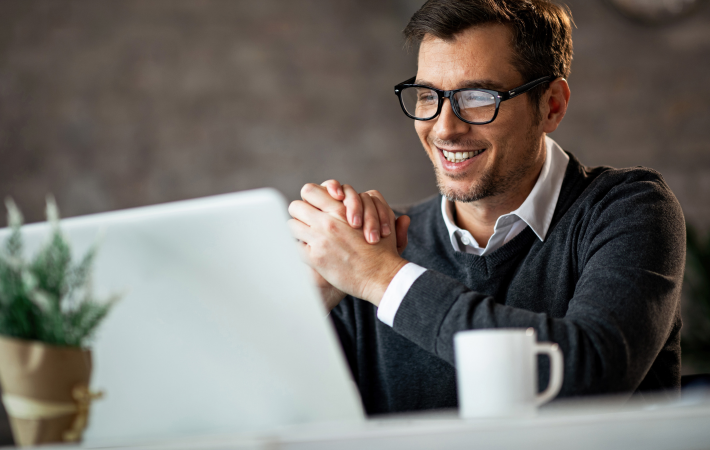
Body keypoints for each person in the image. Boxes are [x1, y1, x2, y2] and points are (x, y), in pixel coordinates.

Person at [287, 0, 685, 415]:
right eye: (428, 96)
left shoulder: (629, 208)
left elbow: (593, 372)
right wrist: (310, 301)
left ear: (552, 105)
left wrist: (382, 280)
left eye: (477, 97)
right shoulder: (370, 247)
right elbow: (271, 422)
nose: (444, 128)